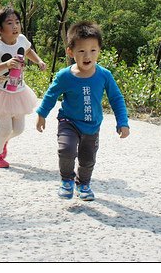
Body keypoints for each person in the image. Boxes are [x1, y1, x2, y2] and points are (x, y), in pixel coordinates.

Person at [35, 21, 130, 201]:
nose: (88, 56)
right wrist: (42, 114)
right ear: (70, 52)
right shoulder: (65, 75)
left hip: (92, 126)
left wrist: (122, 122)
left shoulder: (104, 75)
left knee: (87, 160)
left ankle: (84, 184)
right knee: (66, 149)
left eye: (93, 50)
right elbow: (50, 95)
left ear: (99, 51)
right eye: (81, 51)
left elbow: (116, 99)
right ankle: (66, 180)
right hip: (68, 122)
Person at [0, 6, 46, 168]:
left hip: (19, 91)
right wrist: (6, 64)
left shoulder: (21, 39)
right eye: (10, 23)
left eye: (17, 22)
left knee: (18, 129)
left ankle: (2, 143)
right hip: (0, 92)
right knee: (5, 129)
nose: (15, 26)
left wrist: (39, 61)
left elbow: (28, 51)